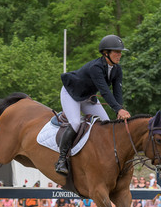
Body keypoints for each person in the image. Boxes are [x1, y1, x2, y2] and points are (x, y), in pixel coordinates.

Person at [55, 34, 131, 175]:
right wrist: (118, 109)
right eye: (116, 52)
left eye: (120, 52)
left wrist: (119, 110)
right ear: (105, 53)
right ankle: (61, 160)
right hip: (71, 93)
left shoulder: (117, 69)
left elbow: (117, 92)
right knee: (76, 123)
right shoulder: (96, 67)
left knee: (107, 123)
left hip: (87, 97)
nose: (119, 55)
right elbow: (105, 91)